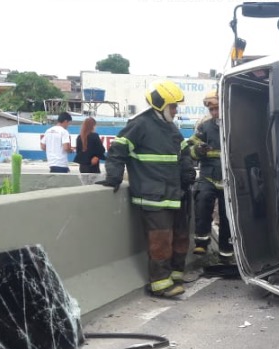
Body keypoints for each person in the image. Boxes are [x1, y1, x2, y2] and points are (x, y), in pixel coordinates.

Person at [98, 81, 196, 299]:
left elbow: (184, 152)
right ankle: (160, 284)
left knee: (180, 237)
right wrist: (113, 177)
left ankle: (175, 276)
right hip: (153, 196)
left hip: (175, 194)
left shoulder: (170, 128)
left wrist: (187, 171)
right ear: (161, 105)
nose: (176, 110)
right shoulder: (139, 125)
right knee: (160, 240)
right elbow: (117, 151)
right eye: (173, 106)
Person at [186, 89, 232, 260]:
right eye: (211, 110)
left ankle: (226, 251)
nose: (214, 113)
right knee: (203, 202)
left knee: (228, 215)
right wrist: (198, 150)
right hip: (208, 175)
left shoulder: (234, 124)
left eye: (216, 108)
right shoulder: (204, 126)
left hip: (228, 178)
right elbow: (191, 149)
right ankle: (201, 243)